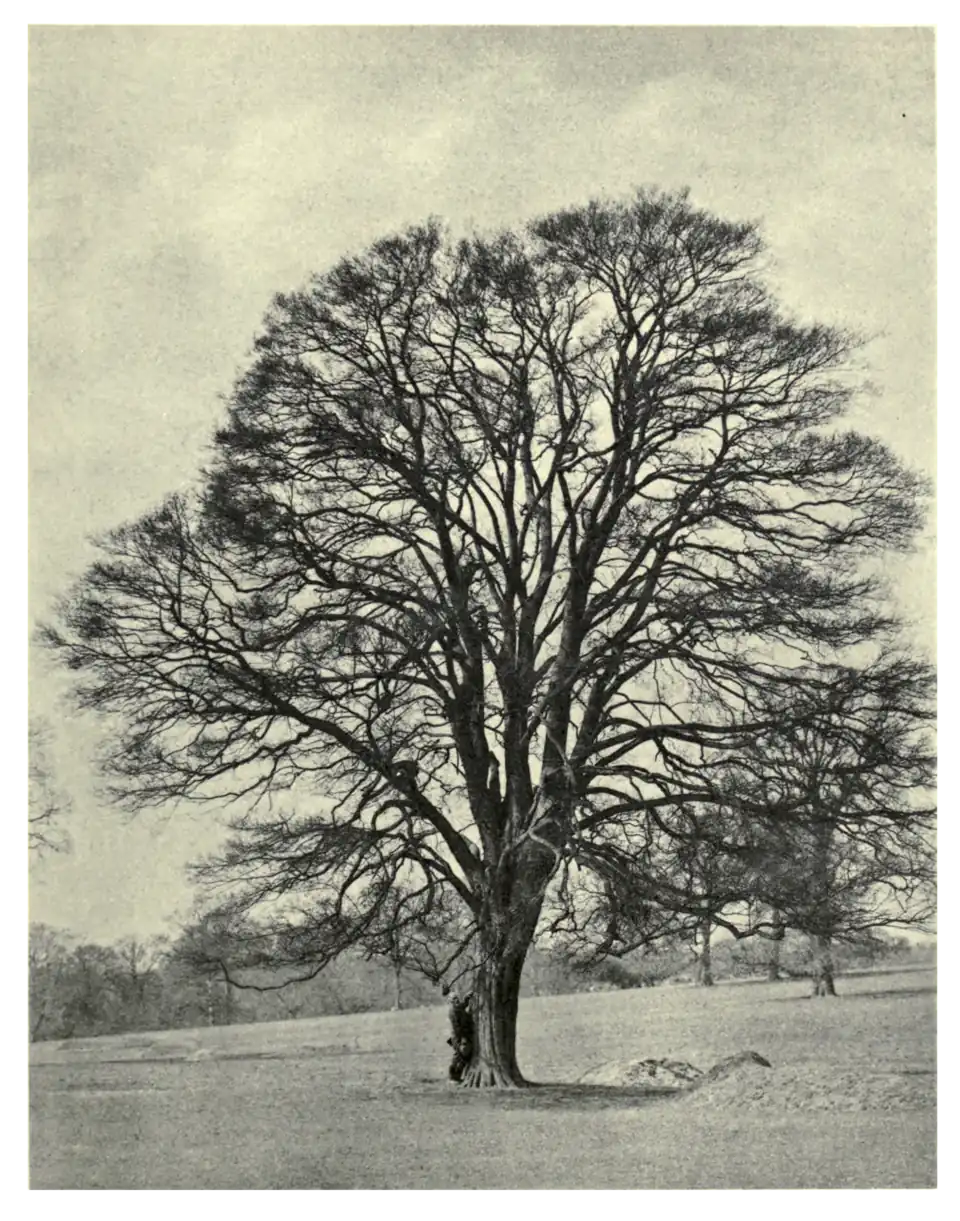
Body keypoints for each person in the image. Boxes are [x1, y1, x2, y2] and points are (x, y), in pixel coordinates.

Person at [442, 984, 475, 1082]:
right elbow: (458, 1029)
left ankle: (455, 1076)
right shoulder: (453, 1012)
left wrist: (466, 998)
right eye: (454, 1000)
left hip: (460, 1036)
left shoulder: (457, 1008)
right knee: (462, 1055)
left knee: (460, 1056)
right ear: (450, 1002)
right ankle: (454, 1077)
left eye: (457, 998)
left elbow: (462, 1005)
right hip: (458, 1037)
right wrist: (464, 1038)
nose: (456, 1001)